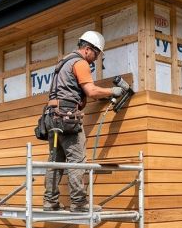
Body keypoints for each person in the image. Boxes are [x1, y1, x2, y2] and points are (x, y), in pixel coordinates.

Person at [42, 31, 129, 213]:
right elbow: (90, 91)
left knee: (55, 161)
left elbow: (72, 92)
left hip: (52, 118)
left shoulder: (63, 63)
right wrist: (112, 91)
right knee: (77, 160)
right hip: (67, 118)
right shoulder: (80, 63)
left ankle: (50, 202)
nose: (95, 59)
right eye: (96, 54)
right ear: (87, 49)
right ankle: (79, 203)